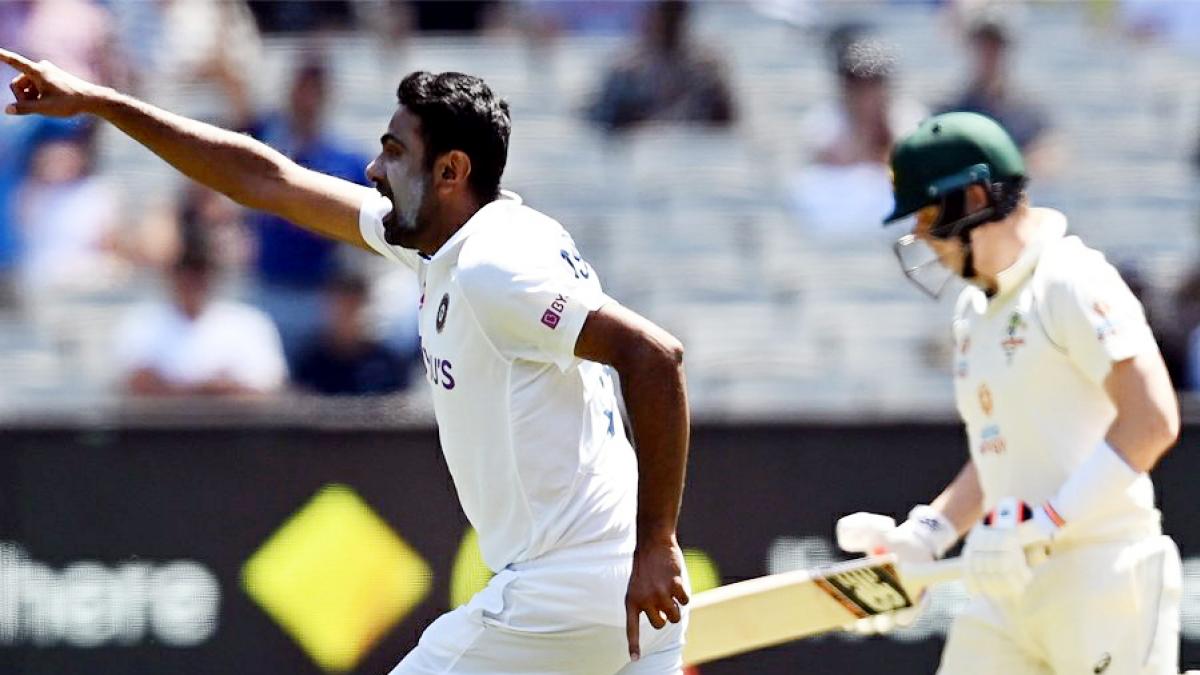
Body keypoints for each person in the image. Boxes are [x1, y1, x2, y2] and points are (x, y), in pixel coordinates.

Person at [0, 49, 691, 672]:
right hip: (623, 606)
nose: (372, 169)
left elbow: (655, 355)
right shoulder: (452, 240)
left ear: (451, 171)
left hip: (563, 593)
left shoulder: (491, 267)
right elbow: (265, 178)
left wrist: (656, 541)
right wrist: (100, 101)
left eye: (393, 151)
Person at [835, 112, 1182, 673]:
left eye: (927, 215)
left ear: (973, 197)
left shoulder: (1070, 278)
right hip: (1004, 580)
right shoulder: (974, 311)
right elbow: (1002, 452)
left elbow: (1152, 420)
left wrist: (1047, 524)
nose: (922, 237)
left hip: (1102, 574)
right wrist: (928, 533)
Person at [114, 239, 287, 397]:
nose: (192, 279)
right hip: (159, 427)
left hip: (236, 427)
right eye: (184, 270)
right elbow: (137, 383)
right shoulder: (141, 322)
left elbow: (264, 385)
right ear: (170, 274)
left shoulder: (249, 322)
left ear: (214, 274)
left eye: (200, 270)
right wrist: (209, 387)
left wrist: (180, 387)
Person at [587, 0, 735, 133]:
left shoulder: (706, 69)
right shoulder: (625, 70)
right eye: (663, 16)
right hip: (637, 154)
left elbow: (724, 121)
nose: (668, 25)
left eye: (674, 17)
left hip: (694, 153)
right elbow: (606, 123)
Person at [292, 270, 416, 396]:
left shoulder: (387, 364)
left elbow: (400, 406)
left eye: (353, 306)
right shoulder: (311, 363)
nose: (346, 315)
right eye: (340, 308)